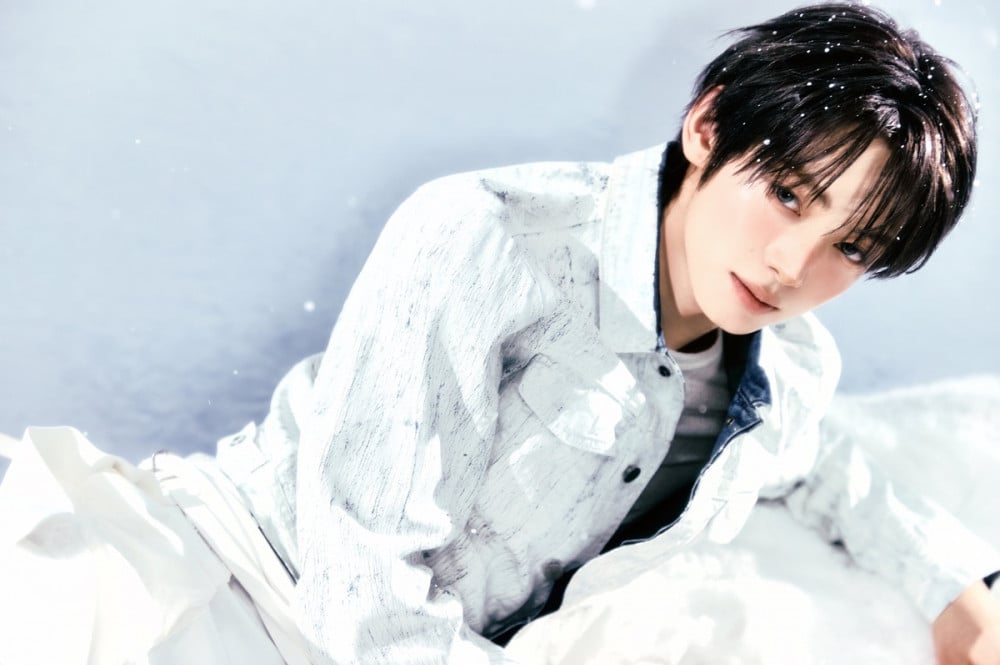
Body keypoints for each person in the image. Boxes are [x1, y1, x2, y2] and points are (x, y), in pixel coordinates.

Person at [1, 3, 998, 664]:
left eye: (851, 247)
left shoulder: (789, 372)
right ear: (708, 127)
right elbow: (360, 569)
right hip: (236, 586)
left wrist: (956, 593)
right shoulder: (492, 237)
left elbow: (829, 468)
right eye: (786, 194)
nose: (791, 266)